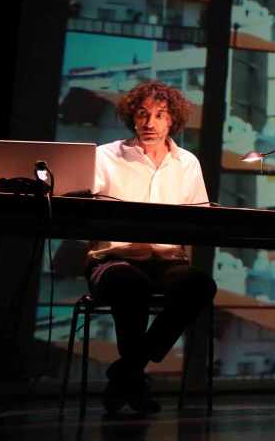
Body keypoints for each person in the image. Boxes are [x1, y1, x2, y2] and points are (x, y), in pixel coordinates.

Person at [86, 80, 217, 415]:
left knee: (199, 285)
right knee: (130, 284)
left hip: (166, 260)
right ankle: (133, 376)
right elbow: (82, 209)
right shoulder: (105, 156)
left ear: (171, 120)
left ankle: (127, 370)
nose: (149, 123)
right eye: (143, 114)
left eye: (159, 115)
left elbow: (200, 217)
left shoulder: (187, 163)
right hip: (114, 260)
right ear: (132, 117)